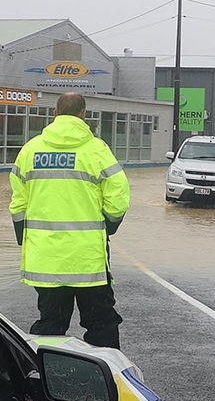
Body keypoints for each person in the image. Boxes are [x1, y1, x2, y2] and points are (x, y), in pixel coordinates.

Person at [9, 92, 130, 348]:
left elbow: (18, 205)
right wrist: (108, 226)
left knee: (50, 325)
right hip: (88, 261)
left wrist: (25, 237)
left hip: (46, 259)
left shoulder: (30, 150)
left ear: (54, 114)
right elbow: (118, 199)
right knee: (101, 325)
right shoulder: (97, 150)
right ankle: (107, 379)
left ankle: (44, 378)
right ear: (83, 115)